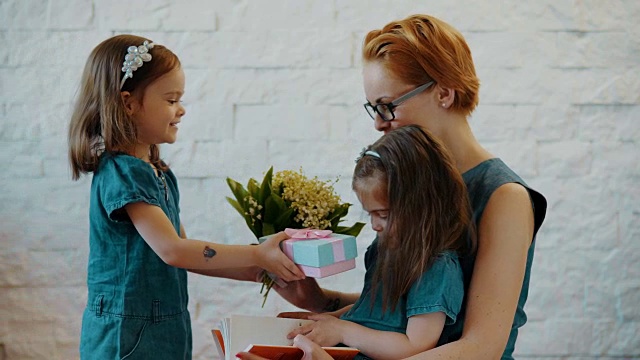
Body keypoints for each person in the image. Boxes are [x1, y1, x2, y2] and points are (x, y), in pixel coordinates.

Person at [275, 13, 547, 360]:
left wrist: (342, 334)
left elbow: (481, 348)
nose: (377, 123)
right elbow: (411, 311)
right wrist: (319, 304)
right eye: (372, 108)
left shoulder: (503, 196)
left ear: (444, 92)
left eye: (387, 106)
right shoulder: (408, 182)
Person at [68, 34, 304, 359]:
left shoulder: (158, 174)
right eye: (170, 100)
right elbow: (174, 251)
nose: (181, 110)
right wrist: (256, 255)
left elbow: (188, 254)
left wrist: (256, 269)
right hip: (126, 337)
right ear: (128, 103)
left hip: (164, 330)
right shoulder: (123, 172)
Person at [286, 125, 474, 359]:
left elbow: (416, 346)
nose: (375, 224)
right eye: (370, 213)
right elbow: (371, 311)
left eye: (383, 215)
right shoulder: (385, 248)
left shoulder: (436, 267)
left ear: (423, 205)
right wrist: (328, 321)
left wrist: (343, 330)